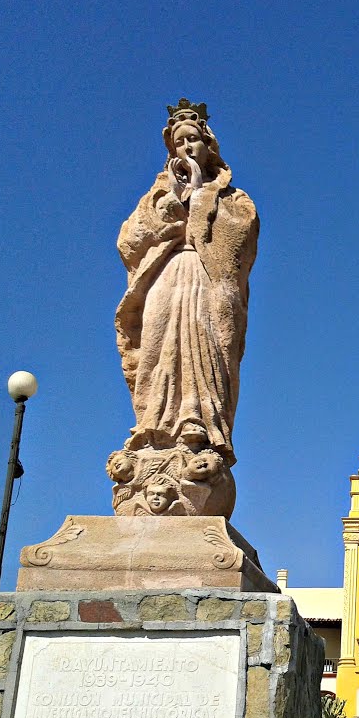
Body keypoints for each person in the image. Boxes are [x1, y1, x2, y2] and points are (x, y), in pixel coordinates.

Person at [114, 99, 259, 467]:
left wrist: (199, 196)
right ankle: (152, 423)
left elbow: (239, 240)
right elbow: (130, 240)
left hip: (204, 277)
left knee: (203, 342)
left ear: (208, 146)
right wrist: (168, 216)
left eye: (193, 139)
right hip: (166, 273)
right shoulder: (155, 197)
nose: (187, 148)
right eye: (179, 143)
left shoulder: (234, 198)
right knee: (157, 343)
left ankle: (198, 421)